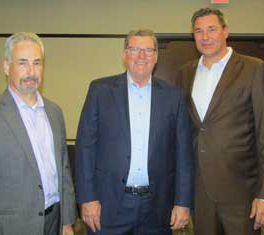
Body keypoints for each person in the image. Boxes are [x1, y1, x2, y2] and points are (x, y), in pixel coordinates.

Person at [75, 29, 194, 235]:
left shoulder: (174, 97)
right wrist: (87, 198)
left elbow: (183, 154)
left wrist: (182, 202)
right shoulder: (100, 91)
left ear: (156, 57)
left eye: (148, 50)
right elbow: (85, 148)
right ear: (125, 54)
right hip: (107, 205)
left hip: (157, 207)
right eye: (135, 49)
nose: (141, 56)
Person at [176, 7, 264, 235]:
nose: (205, 37)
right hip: (200, 190)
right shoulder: (185, 73)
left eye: (211, 29)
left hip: (241, 191)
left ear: (225, 31)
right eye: (198, 31)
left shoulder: (254, 69)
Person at [0, 32, 76, 235]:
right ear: (5, 67)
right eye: (22, 63)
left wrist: (67, 221)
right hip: (10, 227)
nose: (31, 71)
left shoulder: (54, 112)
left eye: (37, 63)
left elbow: (63, 170)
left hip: (55, 221)